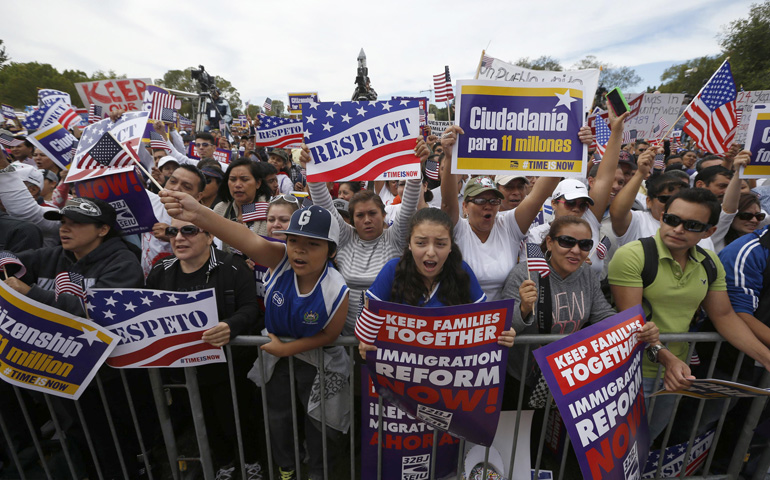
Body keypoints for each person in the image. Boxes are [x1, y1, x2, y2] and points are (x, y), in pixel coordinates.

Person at [160, 190, 349, 480]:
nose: (299, 250)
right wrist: (198, 213)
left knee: (321, 424)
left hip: (318, 362)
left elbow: (329, 335)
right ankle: (286, 468)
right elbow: (244, 237)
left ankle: (319, 472)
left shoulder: (336, 287)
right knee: (278, 420)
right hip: (276, 359)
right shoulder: (280, 258)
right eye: (294, 240)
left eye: (312, 244)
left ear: (331, 251)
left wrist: (289, 349)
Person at [609, 188, 770, 443]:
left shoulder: (710, 262)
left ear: (709, 232)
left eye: (692, 224)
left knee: (644, 446)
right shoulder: (632, 255)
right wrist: (668, 360)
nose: (678, 228)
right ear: (662, 217)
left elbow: (725, 316)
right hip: (630, 371)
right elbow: (632, 323)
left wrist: (766, 357)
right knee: (617, 450)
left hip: (677, 373)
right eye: (672, 219)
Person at [145, 219, 262, 479]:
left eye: (188, 230)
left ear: (210, 237)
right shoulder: (161, 271)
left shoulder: (233, 267)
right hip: (185, 370)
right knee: (204, 420)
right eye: (172, 231)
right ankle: (224, 465)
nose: (178, 238)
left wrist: (230, 326)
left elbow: (250, 308)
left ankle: (251, 463)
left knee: (238, 419)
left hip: (230, 367)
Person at [439, 124, 595, 300]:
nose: (488, 205)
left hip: (502, 319)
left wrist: (572, 145)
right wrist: (450, 157)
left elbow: (539, 195)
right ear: (465, 206)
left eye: (494, 200)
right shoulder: (458, 229)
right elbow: (447, 203)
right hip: (460, 319)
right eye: (480, 200)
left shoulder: (508, 226)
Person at [301, 139, 429, 334]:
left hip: (389, 338)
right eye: (360, 215)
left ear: (384, 215)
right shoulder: (345, 237)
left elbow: (410, 200)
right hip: (347, 337)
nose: (367, 220)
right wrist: (311, 167)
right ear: (351, 220)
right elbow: (323, 202)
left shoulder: (395, 237)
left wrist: (415, 165)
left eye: (373, 213)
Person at [355, 208, 515, 354]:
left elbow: (486, 323)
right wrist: (364, 341)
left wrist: (504, 333)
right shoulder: (392, 270)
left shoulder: (461, 271)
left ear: (451, 246)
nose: (430, 252)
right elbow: (365, 316)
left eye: (440, 244)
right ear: (409, 244)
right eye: (421, 243)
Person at [213, 158, 275, 253]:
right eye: (233, 180)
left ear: (258, 183)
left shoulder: (271, 210)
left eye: (244, 179)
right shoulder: (220, 209)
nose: (237, 185)